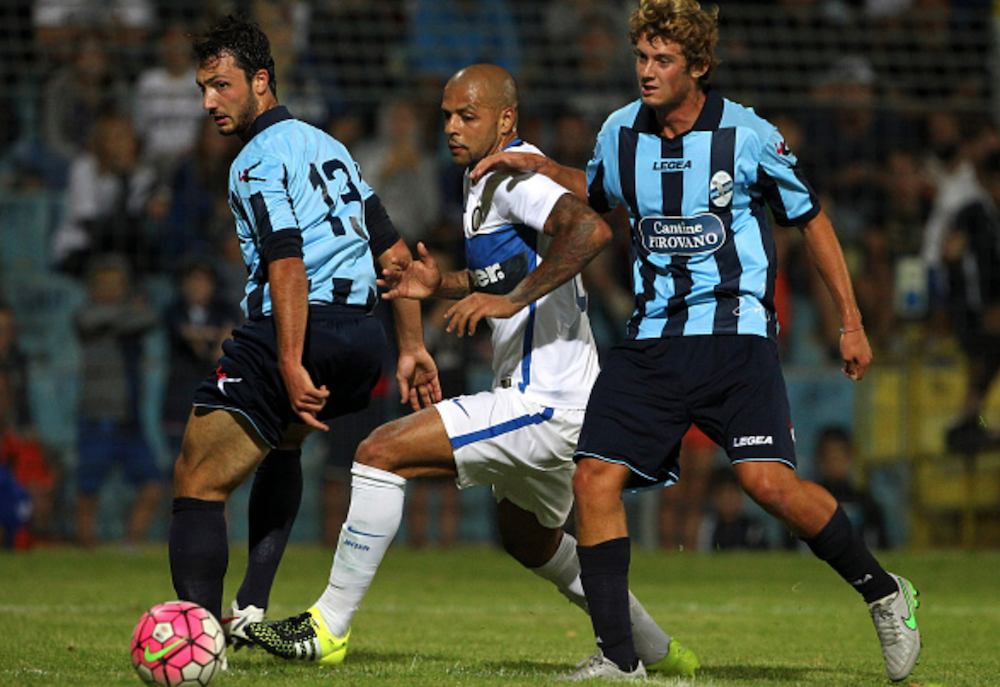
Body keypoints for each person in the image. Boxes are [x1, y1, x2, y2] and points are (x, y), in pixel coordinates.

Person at [463, 1, 921, 681]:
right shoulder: (621, 131)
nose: (646, 72)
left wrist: (850, 321)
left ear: (699, 66)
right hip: (652, 340)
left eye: (663, 60)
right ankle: (620, 659)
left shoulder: (748, 136)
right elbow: (597, 190)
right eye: (641, 57)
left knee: (768, 485)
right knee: (594, 478)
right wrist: (533, 165)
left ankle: (884, 592)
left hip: (735, 338)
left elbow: (812, 220)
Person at [242, 63, 699, 678]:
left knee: (379, 453)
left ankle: (328, 625)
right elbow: (507, 271)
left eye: (467, 115)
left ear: (506, 119)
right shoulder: (481, 178)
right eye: (447, 116)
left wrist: (510, 302)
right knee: (527, 537)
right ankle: (658, 650)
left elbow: (589, 230)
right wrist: (443, 283)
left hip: (545, 400)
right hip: (557, 395)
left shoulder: (515, 174)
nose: (452, 128)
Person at [169, 15, 440, 643]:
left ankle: (199, 642)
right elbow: (396, 258)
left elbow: (286, 262)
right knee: (283, 446)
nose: (209, 102)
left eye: (221, 85)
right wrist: (411, 347)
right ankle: (251, 609)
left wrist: (290, 360)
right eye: (203, 89)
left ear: (261, 80)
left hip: (300, 327)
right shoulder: (331, 148)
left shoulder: (255, 161)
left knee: (197, 478)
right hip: (363, 339)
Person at [73, 253, 162, 549]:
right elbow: (89, 320)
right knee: (88, 487)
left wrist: (122, 318)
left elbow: (150, 317)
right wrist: (127, 314)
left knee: (152, 483)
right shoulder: (86, 316)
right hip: (97, 415)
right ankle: (87, 548)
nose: (110, 290)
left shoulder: (123, 320)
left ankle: (131, 545)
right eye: (104, 284)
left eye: (117, 284)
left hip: (129, 418)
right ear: (92, 288)